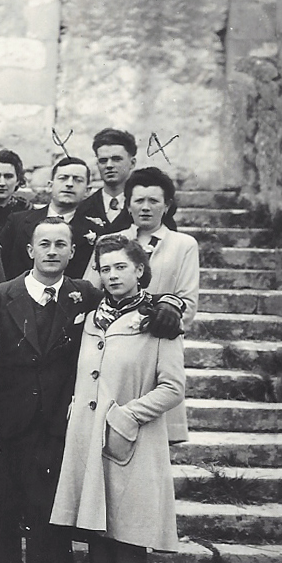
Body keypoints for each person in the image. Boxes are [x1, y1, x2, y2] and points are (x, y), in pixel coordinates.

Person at [51, 234, 186, 563]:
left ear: (140, 270)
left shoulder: (158, 320)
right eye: (105, 268)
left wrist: (127, 415)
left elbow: (172, 388)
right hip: (89, 436)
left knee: (129, 529)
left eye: (121, 267)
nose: (112, 275)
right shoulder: (92, 317)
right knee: (98, 526)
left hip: (134, 438)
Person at [0, 218, 98, 563]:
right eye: (44, 244)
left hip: (55, 427)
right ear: (29, 251)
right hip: (6, 425)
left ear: (72, 252)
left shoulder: (86, 295)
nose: (52, 251)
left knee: (50, 520)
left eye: (60, 245)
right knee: (0, 517)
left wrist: (168, 302)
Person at [87, 168, 196, 444]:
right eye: (138, 200)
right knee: (111, 427)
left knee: (152, 429)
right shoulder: (110, 242)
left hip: (157, 338)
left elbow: (187, 302)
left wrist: (165, 311)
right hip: (115, 345)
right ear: (128, 204)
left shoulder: (183, 245)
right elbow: (90, 291)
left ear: (167, 206)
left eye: (154, 201)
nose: (145, 207)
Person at [0, 156, 98, 279]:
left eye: (78, 180)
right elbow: (0, 267)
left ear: (87, 191)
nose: (69, 184)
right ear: (50, 186)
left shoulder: (95, 230)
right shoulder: (17, 222)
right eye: (63, 178)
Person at [82, 128, 176, 235]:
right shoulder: (84, 208)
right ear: (97, 164)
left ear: (132, 163)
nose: (109, 165)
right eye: (103, 160)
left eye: (116, 159)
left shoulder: (150, 208)